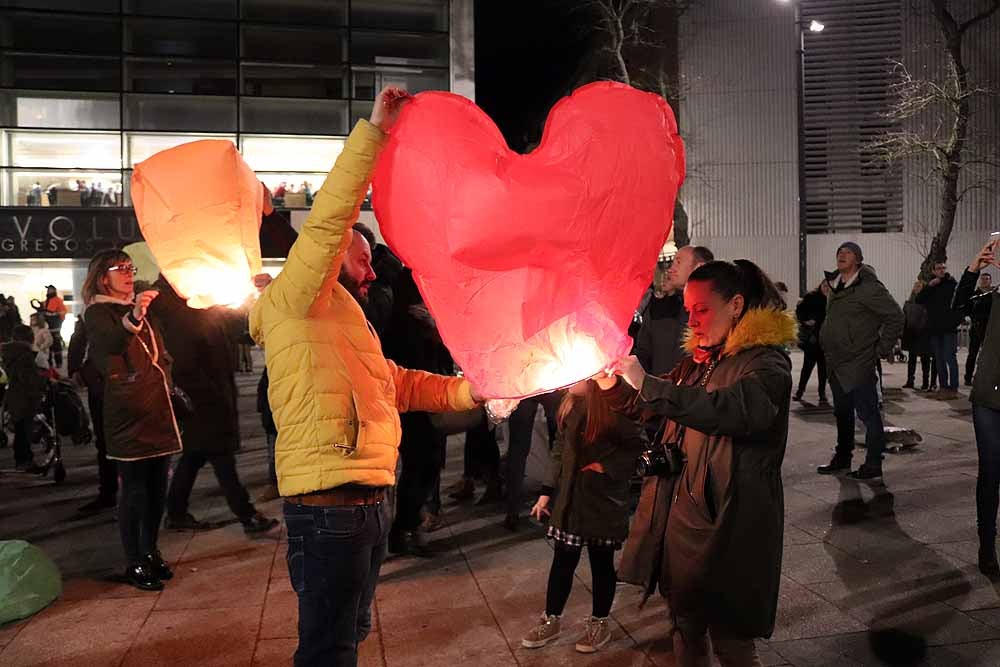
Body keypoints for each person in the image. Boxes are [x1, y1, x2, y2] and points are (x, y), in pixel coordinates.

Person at [249, 86, 484, 667]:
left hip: (369, 500)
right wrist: (375, 131)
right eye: (361, 257)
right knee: (328, 649)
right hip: (330, 507)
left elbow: (399, 383)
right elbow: (330, 221)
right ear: (327, 260)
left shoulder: (345, 318)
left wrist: (476, 388)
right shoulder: (297, 300)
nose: (371, 265)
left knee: (348, 637)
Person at [597, 259, 795, 667]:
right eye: (689, 309)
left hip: (731, 518)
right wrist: (610, 384)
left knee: (732, 639)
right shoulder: (698, 360)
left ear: (736, 304)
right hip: (682, 514)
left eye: (702, 309)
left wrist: (649, 384)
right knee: (684, 624)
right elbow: (651, 407)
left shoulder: (766, 363)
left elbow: (733, 411)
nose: (693, 320)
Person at [81, 249, 182, 592]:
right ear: (102, 276)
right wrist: (135, 315)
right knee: (135, 491)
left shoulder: (141, 306)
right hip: (128, 413)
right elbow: (111, 342)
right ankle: (134, 560)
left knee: (158, 489)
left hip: (156, 408)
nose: (127, 273)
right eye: (118, 268)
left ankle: (151, 550)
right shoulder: (97, 312)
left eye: (130, 267)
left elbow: (160, 351)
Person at [521, 379, 647, 654]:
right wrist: (546, 491)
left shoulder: (616, 408)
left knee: (601, 563)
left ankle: (600, 621)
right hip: (570, 501)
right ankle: (551, 617)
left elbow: (637, 447)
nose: (567, 382)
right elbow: (559, 450)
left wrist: (606, 466)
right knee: (563, 560)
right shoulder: (570, 406)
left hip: (603, 501)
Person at [150, 279, 278, 536]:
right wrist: (211, 398)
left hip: (212, 399)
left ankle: (176, 511)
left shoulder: (197, 312)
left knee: (194, 457)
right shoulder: (183, 318)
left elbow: (238, 332)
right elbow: (187, 366)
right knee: (221, 459)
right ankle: (247, 515)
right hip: (205, 403)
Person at [816, 242, 903, 480]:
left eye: (848, 252)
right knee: (842, 412)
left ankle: (873, 463)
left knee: (868, 414)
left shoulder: (869, 288)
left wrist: (881, 349)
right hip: (835, 362)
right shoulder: (836, 286)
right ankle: (843, 457)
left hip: (859, 361)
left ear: (858, 260)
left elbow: (896, 316)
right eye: (839, 252)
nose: (841, 255)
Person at [952, 240, 999, 575]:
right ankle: (986, 546)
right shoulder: (991, 297)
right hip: (989, 396)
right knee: (991, 472)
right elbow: (956, 308)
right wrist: (973, 269)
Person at [633, 246, 715, 378]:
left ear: (699, 268)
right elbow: (643, 353)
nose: (671, 269)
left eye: (678, 262)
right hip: (658, 391)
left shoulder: (714, 311)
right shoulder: (659, 308)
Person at [67, 317, 118, 514]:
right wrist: (75, 369)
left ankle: (112, 493)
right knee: (106, 442)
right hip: (104, 384)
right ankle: (110, 493)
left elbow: (78, 341)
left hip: (111, 383)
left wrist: (75, 369)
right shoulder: (93, 312)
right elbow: (78, 341)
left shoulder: (92, 312)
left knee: (107, 442)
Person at [1, 325, 47, 472]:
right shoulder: (25, 355)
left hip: (13, 396)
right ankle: (24, 461)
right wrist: (43, 381)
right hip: (24, 397)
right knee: (24, 431)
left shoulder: (8, 353)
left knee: (20, 430)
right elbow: (28, 378)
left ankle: (22, 459)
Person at [916, 261, 962, 399]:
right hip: (934, 329)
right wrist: (929, 287)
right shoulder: (931, 286)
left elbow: (960, 304)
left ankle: (953, 387)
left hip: (949, 328)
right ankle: (943, 386)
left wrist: (955, 322)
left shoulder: (952, 285)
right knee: (939, 359)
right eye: (938, 268)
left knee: (950, 357)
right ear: (934, 271)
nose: (941, 270)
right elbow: (919, 300)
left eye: (943, 268)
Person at [793, 278, 830, 404]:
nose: (826, 288)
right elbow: (799, 311)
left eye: (829, 287)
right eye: (824, 285)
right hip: (812, 339)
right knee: (807, 367)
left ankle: (822, 394)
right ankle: (800, 391)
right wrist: (806, 320)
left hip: (825, 341)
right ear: (820, 285)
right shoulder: (811, 297)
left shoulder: (833, 300)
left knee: (823, 370)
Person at [901, 280, 937, 391]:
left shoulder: (927, 302)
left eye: (919, 286)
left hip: (923, 333)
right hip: (911, 333)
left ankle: (926, 382)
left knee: (925, 359)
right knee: (911, 359)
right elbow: (904, 317)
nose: (916, 287)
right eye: (915, 286)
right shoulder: (908, 303)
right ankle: (910, 381)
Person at [966, 272, 994, 387]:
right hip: (976, 328)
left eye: (987, 279)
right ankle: (968, 377)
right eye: (983, 279)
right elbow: (968, 310)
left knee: (989, 355)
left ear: (990, 281)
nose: (984, 281)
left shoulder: (994, 296)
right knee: (972, 354)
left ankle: (987, 377)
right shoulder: (974, 295)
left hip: (989, 329)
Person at [41, 285, 67, 368]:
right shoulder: (47, 301)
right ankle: (50, 362)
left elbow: (61, 312)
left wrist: (51, 314)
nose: (48, 291)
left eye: (49, 290)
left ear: (53, 290)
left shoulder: (57, 300)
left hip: (55, 325)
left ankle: (58, 362)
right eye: (48, 290)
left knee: (56, 344)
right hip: (49, 326)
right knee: (49, 344)